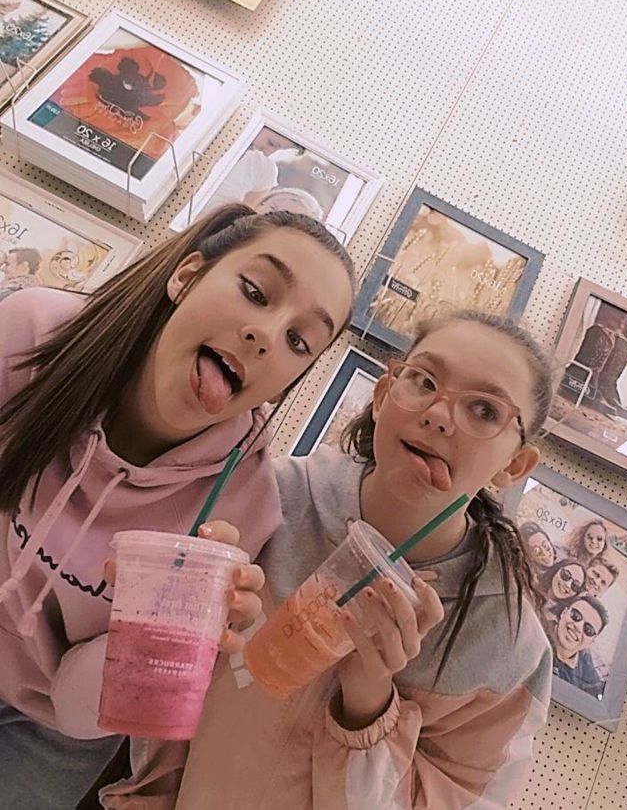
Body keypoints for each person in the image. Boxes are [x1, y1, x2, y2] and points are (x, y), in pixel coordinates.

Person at [100, 309, 554, 810]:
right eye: (424, 381)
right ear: (384, 393)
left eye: (484, 411)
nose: (439, 416)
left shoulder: (506, 644)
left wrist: (369, 703)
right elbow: (149, 703)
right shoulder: (266, 498)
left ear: (515, 465)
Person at [0, 205, 355, 810]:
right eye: (255, 292)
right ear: (187, 275)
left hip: (49, 730)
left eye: (298, 341)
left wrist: (168, 637)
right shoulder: (32, 336)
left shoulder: (241, 509)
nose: (266, 336)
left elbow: (79, 710)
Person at [546, 595, 608, 698]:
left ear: (591, 642)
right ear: (563, 613)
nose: (578, 627)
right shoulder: (535, 632)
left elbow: (596, 690)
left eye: (588, 630)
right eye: (576, 615)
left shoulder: (584, 659)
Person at [537, 557, 586, 623]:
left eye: (575, 585)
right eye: (566, 575)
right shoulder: (532, 581)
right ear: (557, 569)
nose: (567, 585)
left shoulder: (560, 621)